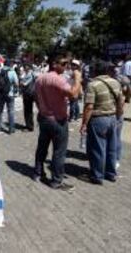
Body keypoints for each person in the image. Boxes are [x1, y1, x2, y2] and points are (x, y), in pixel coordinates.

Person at [33, 55, 82, 191]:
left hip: (44, 118)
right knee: (59, 151)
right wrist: (78, 79)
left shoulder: (40, 78)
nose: (66, 66)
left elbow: (36, 97)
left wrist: (42, 109)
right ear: (54, 64)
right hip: (57, 120)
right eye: (63, 63)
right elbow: (73, 94)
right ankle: (56, 180)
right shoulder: (57, 79)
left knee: (42, 147)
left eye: (67, 63)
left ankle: (38, 173)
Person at [80, 60, 123, 185]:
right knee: (112, 147)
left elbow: (89, 107)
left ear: (95, 71)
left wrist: (84, 124)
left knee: (98, 148)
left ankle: (97, 176)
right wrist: (118, 116)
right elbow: (120, 102)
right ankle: (111, 174)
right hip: (113, 118)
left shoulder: (92, 85)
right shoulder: (115, 82)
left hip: (98, 119)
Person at [0, 59, 18, 134]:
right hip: (9, 94)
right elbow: (16, 83)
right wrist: (15, 91)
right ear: (10, 64)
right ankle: (11, 129)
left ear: (3, 64)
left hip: (0, 94)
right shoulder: (12, 72)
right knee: (10, 111)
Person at [19, 63, 36, 131]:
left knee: (28, 111)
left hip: (29, 94)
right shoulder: (26, 74)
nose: (25, 68)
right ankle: (28, 125)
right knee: (27, 110)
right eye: (25, 66)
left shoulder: (30, 74)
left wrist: (21, 81)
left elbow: (25, 84)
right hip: (27, 94)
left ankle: (29, 126)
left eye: (26, 66)